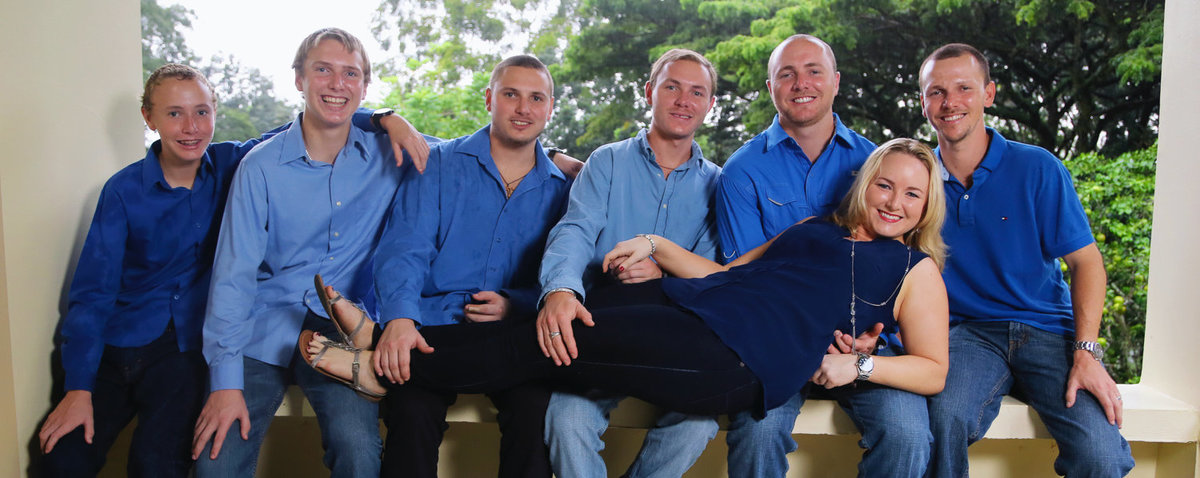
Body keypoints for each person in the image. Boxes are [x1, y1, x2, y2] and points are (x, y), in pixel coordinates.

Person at [304, 139, 949, 459]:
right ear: (868, 183)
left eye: (911, 195)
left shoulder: (916, 271)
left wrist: (858, 365)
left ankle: (383, 366)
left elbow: (933, 369)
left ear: (925, 207)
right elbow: (724, 271)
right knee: (562, 313)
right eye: (886, 185)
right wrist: (655, 243)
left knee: (558, 342)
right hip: (702, 307)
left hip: (739, 356)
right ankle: (386, 337)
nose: (894, 202)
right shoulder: (817, 230)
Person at [36, 63, 425, 478]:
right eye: (174, 113)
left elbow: (321, 121)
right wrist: (78, 386)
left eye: (202, 112)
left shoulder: (234, 163)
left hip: (184, 351)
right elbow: (92, 296)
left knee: (159, 462)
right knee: (63, 458)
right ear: (148, 117)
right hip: (122, 344)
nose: (190, 127)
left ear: (215, 113)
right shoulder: (122, 191)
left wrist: (386, 119)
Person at [189, 28, 435, 477]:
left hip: (343, 335)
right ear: (299, 80)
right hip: (262, 326)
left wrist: (554, 156)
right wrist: (224, 385)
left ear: (364, 87)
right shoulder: (259, 167)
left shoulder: (391, 154)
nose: (337, 84)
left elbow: (472, 155)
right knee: (214, 464)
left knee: (359, 454)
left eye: (350, 74)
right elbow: (232, 278)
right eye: (322, 69)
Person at [917, 43, 1135, 476]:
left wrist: (1087, 353)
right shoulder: (916, 178)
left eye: (964, 87)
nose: (950, 102)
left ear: (989, 94)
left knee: (1101, 455)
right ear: (923, 103)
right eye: (936, 91)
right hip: (966, 336)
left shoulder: (1038, 167)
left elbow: (1087, 264)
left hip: (1049, 332)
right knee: (943, 422)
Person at [363, 54, 571, 478]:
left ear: (550, 109)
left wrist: (516, 302)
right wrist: (401, 318)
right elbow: (405, 248)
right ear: (489, 98)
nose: (523, 108)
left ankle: (360, 353)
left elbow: (565, 272)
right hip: (431, 325)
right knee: (411, 411)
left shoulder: (561, 189)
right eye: (511, 94)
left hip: (511, 335)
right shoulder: (438, 163)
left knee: (536, 413)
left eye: (536, 98)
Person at [536, 48, 722, 478]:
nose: (683, 100)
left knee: (698, 422)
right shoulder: (607, 161)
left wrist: (664, 270)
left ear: (709, 106)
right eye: (671, 86)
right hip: (600, 328)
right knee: (566, 419)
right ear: (649, 92)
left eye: (697, 92)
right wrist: (561, 289)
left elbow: (711, 273)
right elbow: (575, 231)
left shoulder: (718, 183)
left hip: (673, 337)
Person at [714, 34, 880, 477]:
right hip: (776, 343)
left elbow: (896, 267)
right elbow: (744, 281)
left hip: (861, 342)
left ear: (836, 82)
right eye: (786, 74)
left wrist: (868, 340)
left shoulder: (876, 165)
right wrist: (809, 338)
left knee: (907, 432)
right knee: (757, 433)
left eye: (813, 71)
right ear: (771, 87)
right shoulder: (742, 170)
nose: (800, 82)